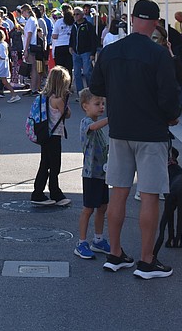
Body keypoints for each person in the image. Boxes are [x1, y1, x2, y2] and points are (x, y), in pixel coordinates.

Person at [89, 0, 180, 280]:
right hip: (151, 132)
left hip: (119, 130)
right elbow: (169, 97)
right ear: (154, 23)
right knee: (150, 195)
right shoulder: (159, 54)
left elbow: (95, 86)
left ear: (131, 20)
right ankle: (146, 260)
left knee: (118, 192)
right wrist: (171, 117)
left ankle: (115, 254)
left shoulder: (111, 51)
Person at [74, 88, 111, 260]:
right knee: (88, 209)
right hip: (90, 174)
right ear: (85, 106)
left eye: (103, 103)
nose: (101, 107)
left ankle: (98, 239)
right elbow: (93, 126)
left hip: (101, 174)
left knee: (102, 207)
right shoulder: (85, 122)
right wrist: (111, 119)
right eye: (97, 104)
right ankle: (81, 242)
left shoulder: (99, 128)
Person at [29, 66, 72, 206]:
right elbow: (67, 114)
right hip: (54, 135)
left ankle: (38, 192)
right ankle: (55, 193)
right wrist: (66, 102)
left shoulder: (44, 96)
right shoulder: (59, 99)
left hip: (44, 133)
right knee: (54, 165)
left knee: (45, 163)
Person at [70, 7, 98, 95]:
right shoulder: (74, 25)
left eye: (77, 14)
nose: (75, 16)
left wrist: (93, 53)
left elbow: (94, 40)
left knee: (87, 72)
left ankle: (91, 91)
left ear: (82, 15)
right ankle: (80, 93)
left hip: (86, 52)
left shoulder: (88, 26)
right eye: (74, 14)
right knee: (77, 74)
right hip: (76, 52)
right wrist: (71, 46)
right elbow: (72, 37)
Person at [0, 29, 20, 103]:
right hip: (1, 65)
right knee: (4, 81)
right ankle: (14, 95)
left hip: (0, 66)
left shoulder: (2, 45)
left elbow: (3, 56)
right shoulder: (2, 44)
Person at [20, 4, 42, 94]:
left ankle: (34, 88)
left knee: (33, 68)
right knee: (33, 68)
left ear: (26, 11)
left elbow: (29, 35)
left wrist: (26, 49)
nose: (22, 14)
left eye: (22, 12)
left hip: (30, 46)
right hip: (31, 45)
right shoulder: (32, 20)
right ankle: (34, 87)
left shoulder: (30, 20)